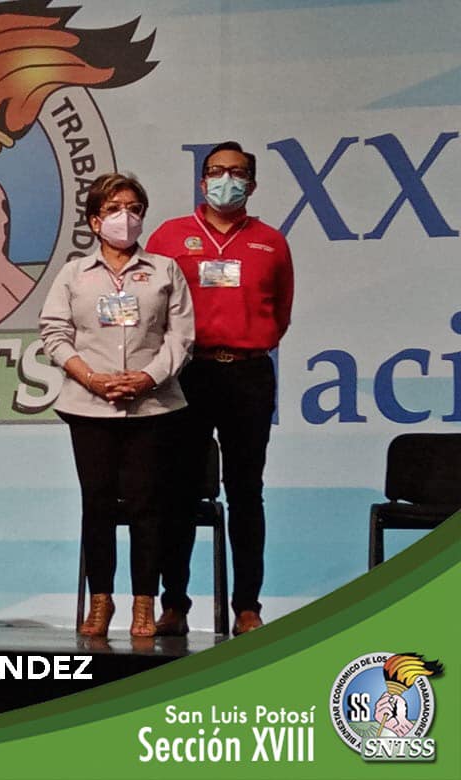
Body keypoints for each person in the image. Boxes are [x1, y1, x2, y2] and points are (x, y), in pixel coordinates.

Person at [146, 141, 293, 636]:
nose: (225, 179)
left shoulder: (271, 242)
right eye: (215, 170)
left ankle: (247, 607)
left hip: (249, 374)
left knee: (247, 492)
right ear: (201, 179)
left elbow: (281, 312)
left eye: (236, 172)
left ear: (252, 184)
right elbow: (152, 306)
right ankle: (174, 605)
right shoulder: (169, 236)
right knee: (179, 490)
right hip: (188, 372)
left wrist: (246, 342)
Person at [40, 173, 193, 638]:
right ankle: (101, 601)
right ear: (94, 220)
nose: (124, 217)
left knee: (147, 505)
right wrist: (91, 378)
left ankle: (144, 603)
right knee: (98, 504)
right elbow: (54, 333)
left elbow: (181, 336)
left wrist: (148, 377)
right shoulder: (73, 274)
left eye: (133, 208)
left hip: (153, 407)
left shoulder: (165, 270)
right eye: (112, 209)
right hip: (90, 406)